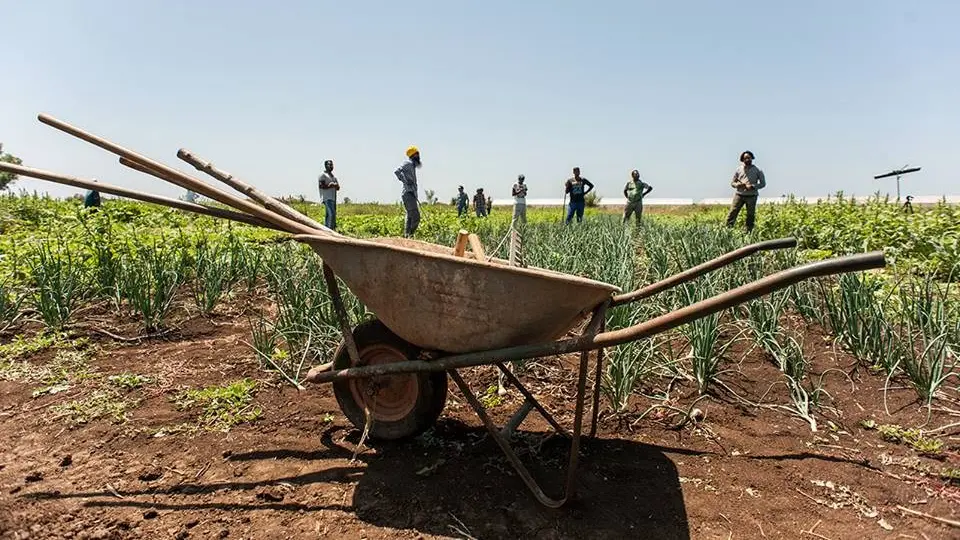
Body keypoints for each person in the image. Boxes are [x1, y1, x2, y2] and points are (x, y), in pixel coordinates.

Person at [725, 150, 766, 232]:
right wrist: (738, 185)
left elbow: (763, 184)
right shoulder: (738, 169)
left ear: (752, 158)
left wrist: (753, 186)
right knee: (732, 212)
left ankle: (748, 231)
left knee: (750, 215)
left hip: (752, 196)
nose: (747, 160)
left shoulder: (758, 170)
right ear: (742, 160)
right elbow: (732, 183)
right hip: (739, 195)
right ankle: (728, 230)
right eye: (745, 158)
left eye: (749, 158)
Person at [395, 146, 422, 237]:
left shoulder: (412, 166)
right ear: (413, 155)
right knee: (416, 217)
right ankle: (410, 235)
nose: (418, 156)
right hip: (408, 194)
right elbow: (397, 171)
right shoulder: (408, 163)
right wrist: (405, 180)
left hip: (411, 194)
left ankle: (407, 237)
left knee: (410, 216)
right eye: (417, 154)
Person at [318, 159, 340, 230]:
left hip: (333, 198)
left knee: (329, 215)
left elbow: (338, 188)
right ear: (325, 166)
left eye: (332, 165)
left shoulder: (333, 177)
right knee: (331, 214)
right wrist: (330, 185)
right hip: (327, 198)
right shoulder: (323, 175)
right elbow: (321, 186)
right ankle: (330, 230)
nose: (331, 166)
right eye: (329, 165)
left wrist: (336, 185)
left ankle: (327, 228)